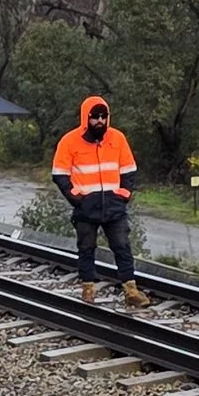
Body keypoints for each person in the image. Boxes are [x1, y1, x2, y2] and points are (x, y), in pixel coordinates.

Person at [50, 94, 151, 306]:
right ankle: (88, 289)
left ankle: (131, 291)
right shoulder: (69, 141)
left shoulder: (118, 139)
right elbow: (60, 174)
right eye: (95, 117)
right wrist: (77, 198)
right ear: (85, 117)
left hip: (114, 206)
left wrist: (124, 194)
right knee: (86, 247)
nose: (100, 121)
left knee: (122, 246)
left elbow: (129, 169)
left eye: (103, 116)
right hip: (86, 207)